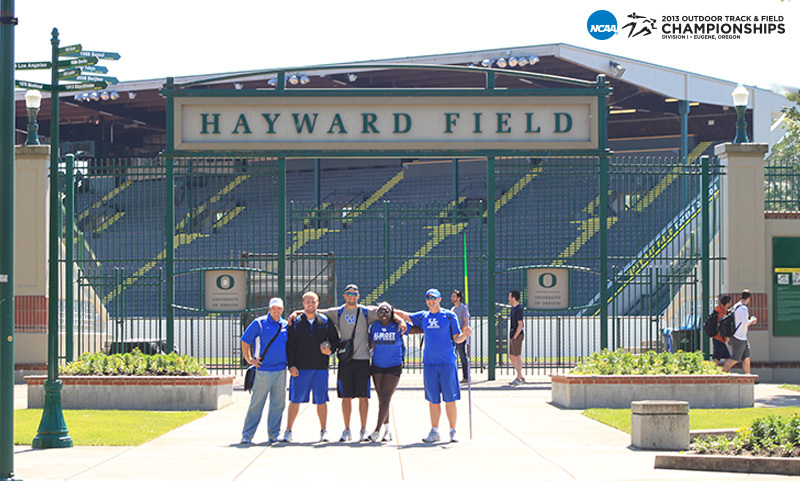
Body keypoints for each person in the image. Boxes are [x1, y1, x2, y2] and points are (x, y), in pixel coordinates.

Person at [289, 284, 403, 442]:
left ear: (358, 296)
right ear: (344, 296)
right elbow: (315, 311)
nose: (351, 296)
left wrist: (400, 319)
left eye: (354, 293)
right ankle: (347, 429)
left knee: (364, 397)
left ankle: (363, 429)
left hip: (362, 359)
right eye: (349, 293)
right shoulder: (337, 312)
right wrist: (296, 312)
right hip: (346, 360)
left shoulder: (365, 312)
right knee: (346, 397)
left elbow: (387, 313)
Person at [396, 288, 472, 443]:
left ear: (439, 299)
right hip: (430, 363)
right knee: (433, 400)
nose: (431, 301)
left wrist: (465, 334)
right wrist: (388, 310)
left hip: (447, 363)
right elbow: (405, 315)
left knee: (450, 399)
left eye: (434, 298)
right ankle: (435, 430)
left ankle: (452, 431)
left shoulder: (449, 316)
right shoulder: (424, 316)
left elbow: (457, 339)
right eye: (428, 299)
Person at [284, 291, 340, 443]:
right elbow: (289, 345)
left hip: (320, 368)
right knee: (295, 400)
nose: (310, 304)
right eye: (307, 301)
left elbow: (335, 340)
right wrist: (292, 365)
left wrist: (330, 350)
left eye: (313, 301)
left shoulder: (325, 321)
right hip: (300, 369)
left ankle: (323, 431)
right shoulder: (295, 322)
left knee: (321, 400)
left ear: (318, 303)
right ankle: (288, 430)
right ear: (302, 304)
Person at [240, 298, 288, 445]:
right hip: (263, 370)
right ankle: (247, 435)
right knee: (257, 403)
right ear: (269, 309)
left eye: (279, 308)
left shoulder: (285, 324)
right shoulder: (259, 323)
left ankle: (273, 434)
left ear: (282, 309)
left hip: (281, 369)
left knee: (278, 404)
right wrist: (249, 359)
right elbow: (245, 340)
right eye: (274, 308)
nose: (276, 311)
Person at [365, 302, 405, 443]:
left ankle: (377, 430)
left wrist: (401, 320)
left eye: (386, 311)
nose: (383, 314)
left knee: (386, 396)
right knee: (381, 398)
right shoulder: (374, 327)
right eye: (380, 311)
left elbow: (415, 326)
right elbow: (370, 344)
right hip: (377, 365)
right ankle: (387, 430)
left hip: (393, 365)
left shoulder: (398, 326)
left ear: (391, 313)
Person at [722, 289, 758, 374]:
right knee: (735, 358)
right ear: (748, 298)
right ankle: (721, 373)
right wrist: (752, 320)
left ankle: (748, 376)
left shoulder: (736, 306)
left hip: (742, 337)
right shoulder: (743, 308)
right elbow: (745, 322)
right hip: (739, 337)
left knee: (746, 357)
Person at [451, 290, 470, 383]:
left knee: (462, 355)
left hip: (460, 336)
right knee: (452, 356)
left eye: (454, 296)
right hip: (453, 336)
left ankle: (466, 376)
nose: (452, 297)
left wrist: (461, 333)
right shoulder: (452, 309)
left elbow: (465, 321)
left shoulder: (463, 308)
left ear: (459, 298)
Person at [508, 290, 525, 386]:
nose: (508, 298)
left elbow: (520, 325)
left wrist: (515, 336)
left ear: (514, 298)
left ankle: (518, 378)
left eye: (510, 296)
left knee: (517, 356)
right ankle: (520, 376)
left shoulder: (518, 309)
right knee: (511, 356)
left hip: (517, 335)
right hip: (513, 334)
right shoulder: (513, 309)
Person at [711, 294, 733, 365]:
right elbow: (724, 327)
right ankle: (712, 372)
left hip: (718, 338)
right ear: (727, 303)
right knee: (716, 358)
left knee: (727, 357)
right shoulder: (723, 313)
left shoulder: (717, 310)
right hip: (719, 338)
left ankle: (726, 372)